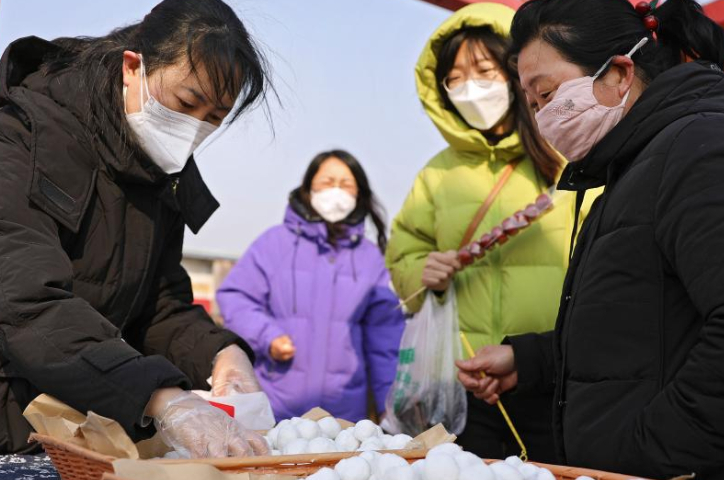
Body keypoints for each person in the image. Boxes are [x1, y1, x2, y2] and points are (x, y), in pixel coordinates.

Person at [456, 0, 724, 478]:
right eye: (532, 105)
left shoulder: (702, 148)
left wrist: (653, 452)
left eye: (548, 93)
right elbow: (645, 330)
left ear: (619, 72)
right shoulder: (633, 168)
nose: (542, 117)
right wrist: (530, 360)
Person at [0, 0, 274, 458]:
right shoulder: (22, 135)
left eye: (212, 118)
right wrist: (160, 397)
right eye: (186, 103)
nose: (193, 128)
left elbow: (159, 307)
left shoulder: (162, 176)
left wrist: (222, 354)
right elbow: (26, 302)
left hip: (64, 433)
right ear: (133, 67)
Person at [386, 3, 596, 461]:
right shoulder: (436, 174)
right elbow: (401, 252)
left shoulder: (568, 153)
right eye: (454, 78)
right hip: (464, 379)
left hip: (556, 370)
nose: (470, 88)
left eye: (482, 70)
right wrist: (423, 269)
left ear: (516, 69)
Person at [217, 150, 405, 423]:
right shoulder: (273, 244)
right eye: (328, 182)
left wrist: (389, 403)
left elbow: (384, 340)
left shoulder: (369, 257)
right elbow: (236, 298)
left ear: (359, 195)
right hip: (276, 403)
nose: (337, 191)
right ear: (308, 188)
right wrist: (267, 336)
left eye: (347, 184)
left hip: (343, 411)